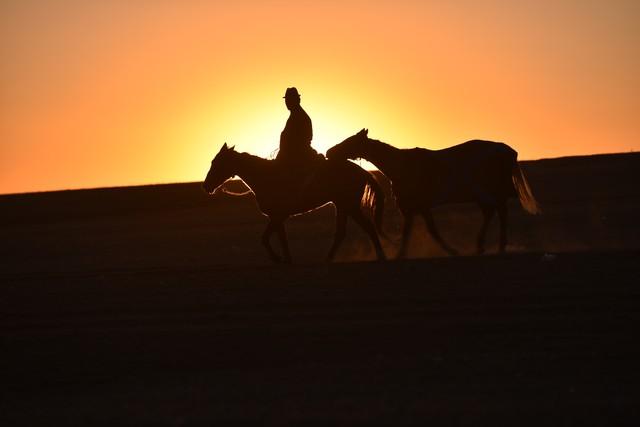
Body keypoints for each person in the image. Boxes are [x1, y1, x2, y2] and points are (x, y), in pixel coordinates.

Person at [276, 87, 323, 174]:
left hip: (298, 156)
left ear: (296, 100)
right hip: (292, 154)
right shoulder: (294, 116)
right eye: (286, 100)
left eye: (289, 100)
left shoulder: (300, 116)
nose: (286, 103)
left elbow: (303, 139)